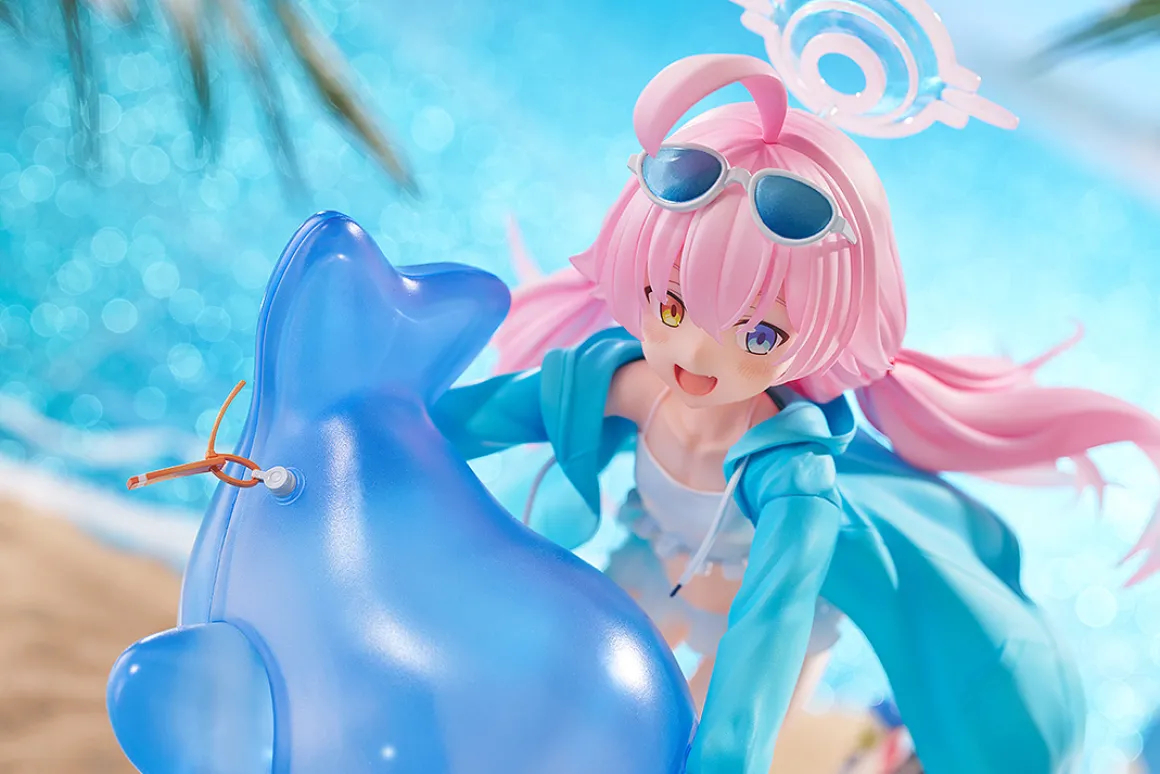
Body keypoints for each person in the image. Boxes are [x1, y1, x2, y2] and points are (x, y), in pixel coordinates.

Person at [432, 52, 1158, 773]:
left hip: (761, 632)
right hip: (651, 567)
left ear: (821, 334)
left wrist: (723, 760)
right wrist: (379, 435)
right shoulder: (623, 382)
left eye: (758, 336)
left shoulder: (792, 481)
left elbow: (764, 640)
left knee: (675, 749)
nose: (697, 352)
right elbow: (456, 425)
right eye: (672, 306)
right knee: (560, 695)